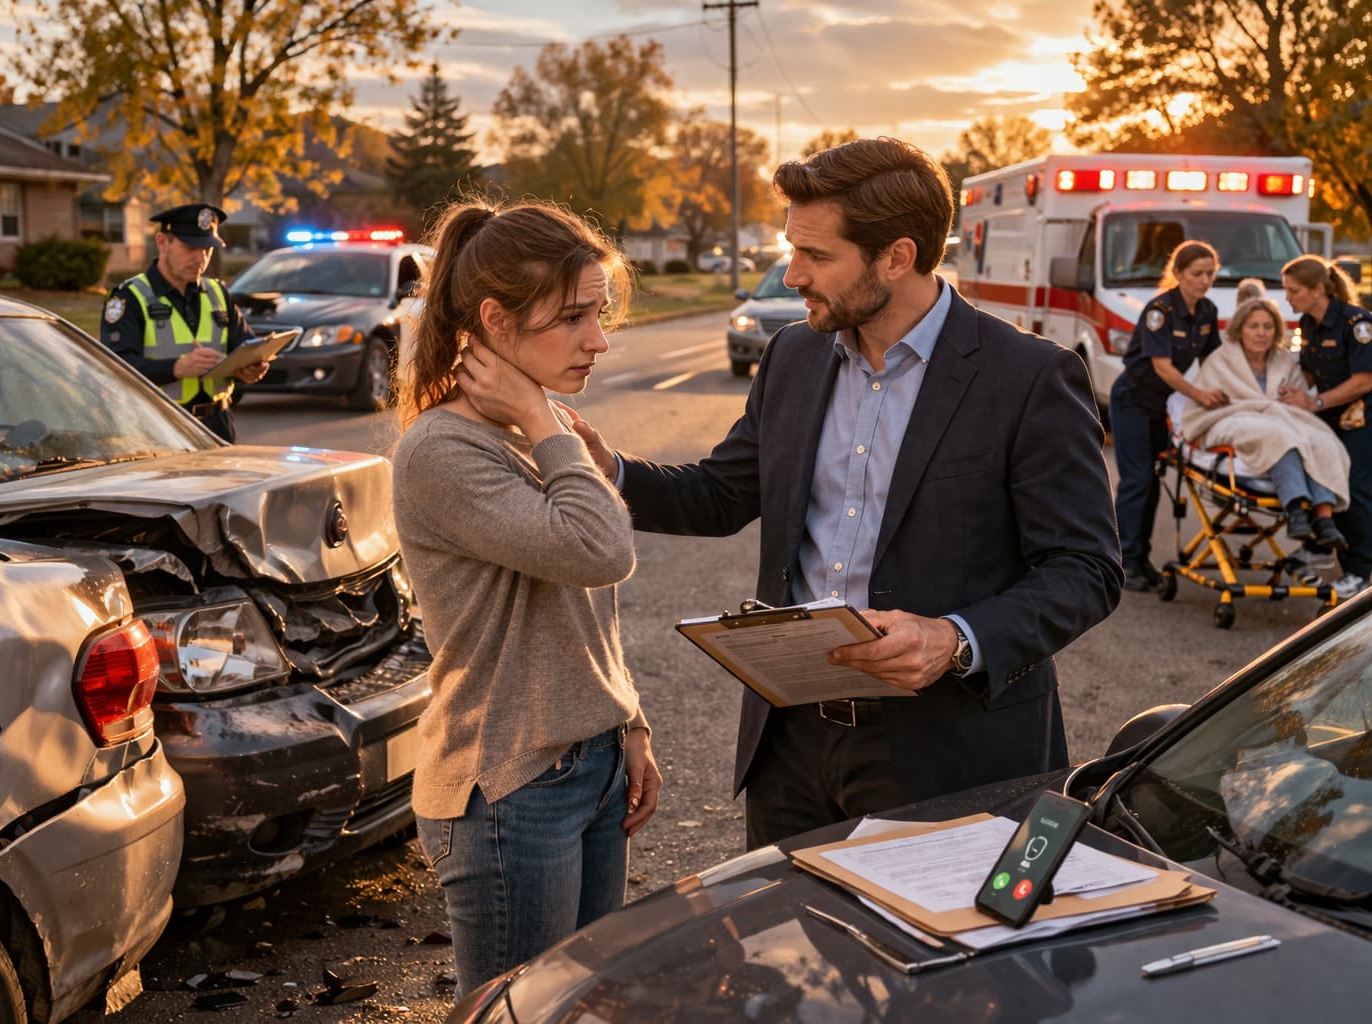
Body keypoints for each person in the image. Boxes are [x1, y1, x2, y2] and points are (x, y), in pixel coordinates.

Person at [465, 138, 1122, 849]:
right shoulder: (794, 354)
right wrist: (611, 469)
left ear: (896, 257)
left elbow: (1086, 570)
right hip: (791, 749)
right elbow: (723, 494)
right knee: (789, 950)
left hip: (953, 753)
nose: (792, 272)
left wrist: (954, 638)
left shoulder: (1027, 377)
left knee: (930, 957)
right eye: (791, 248)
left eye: (816, 255)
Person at [390, 198, 662, 996]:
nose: (598, 339)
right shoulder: (442, 450)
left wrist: (628, 722)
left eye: (599, 313)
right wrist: (545, 423)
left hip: (592, 761)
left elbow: (582, 606)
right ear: (496, 322)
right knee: (518, 1013)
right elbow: (602, 551)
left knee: (583, 1003)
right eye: (573, 317)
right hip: (510, 786)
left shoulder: (533, 427)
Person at [1178, 287, 1349, 547]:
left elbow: (1298, 397)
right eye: (1253, 326)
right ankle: (1295, 511)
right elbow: (1205, 401)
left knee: (1321, 438)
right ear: (1240, 329)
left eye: (1268, 327)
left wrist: (1293, 399)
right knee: (1278, 436)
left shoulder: (1283, 361)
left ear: (1276, 331)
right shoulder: (1221, 359)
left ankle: (1324, 519)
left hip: (1281, 418)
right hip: (1230, 417)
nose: (1261, 333)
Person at [1109, 240, 1227, 591]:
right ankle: (1123, 562)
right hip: (1133, 400)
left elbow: (1213, 361)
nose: (1204, 281)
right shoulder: (1160, 310)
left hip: (1161, 406)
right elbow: (1162, 367)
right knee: (1136, 482)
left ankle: (1140, 558)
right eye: (1197, 274)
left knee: (1154, 481)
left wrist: (1229, 394)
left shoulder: (1206, 311)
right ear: (1177, 274)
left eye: (1210, 274)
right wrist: (1200, 395)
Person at [99, 203, 269, 442]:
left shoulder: (218, 292)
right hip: (157, 429)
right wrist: (176, 368)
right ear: (162, 242)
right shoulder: (129, 297)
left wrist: (252, 369)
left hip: (218, 426)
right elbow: (115, 367)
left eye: (208, 250)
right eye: (190, 248)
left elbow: (243, 345)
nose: (200, 258)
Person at [1278, 255, 1372, 593]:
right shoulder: (1307, 323)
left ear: (1318, 289)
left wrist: (1314, 401)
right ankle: (1327, 552)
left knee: (1355, 489)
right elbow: (1308, 370)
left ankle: (1361, 573)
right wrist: (1294, 388)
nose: (1287, 297)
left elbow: (1364, 380)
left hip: (1362, 416)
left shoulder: (1356, 323)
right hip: (1329, 416)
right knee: (1325, 478)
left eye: (1293, 291)